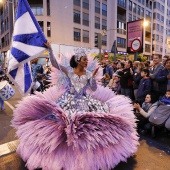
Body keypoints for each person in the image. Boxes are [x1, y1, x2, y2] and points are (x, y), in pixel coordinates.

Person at [12, 42, 139, 170]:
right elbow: (56, 64)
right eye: (84, 60)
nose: (86, 62)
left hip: (85, 101)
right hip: (68, 100)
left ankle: (87, 156)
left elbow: (93, 89)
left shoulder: (88, 74)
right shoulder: (69, 71)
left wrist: (93, 78)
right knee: (61, 125)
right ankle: (62, 155)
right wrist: (50, 50)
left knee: (85, 127)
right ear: (78, 61)